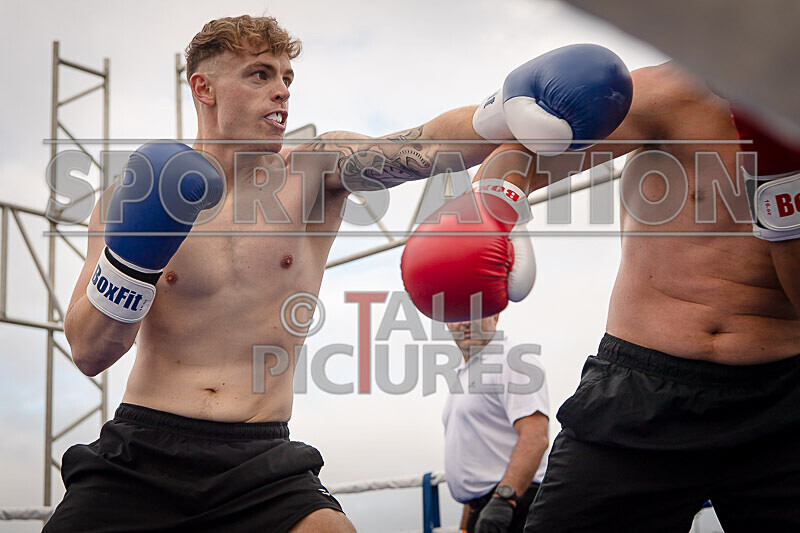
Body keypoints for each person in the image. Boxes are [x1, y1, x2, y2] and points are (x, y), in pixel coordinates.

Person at [44, 14, 633, 533]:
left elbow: (421, 146)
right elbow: (90, 350)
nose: (281, 92)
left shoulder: (313, 171)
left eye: (286, 78)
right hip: (141, 450)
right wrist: (132, 261)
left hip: (257, 457)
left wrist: (503, 111)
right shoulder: (133, 193)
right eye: (260, 74)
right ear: (203, 87)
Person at [402, 61, 800, 532]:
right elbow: (525, 155)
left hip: (784, 399)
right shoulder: (665, 92)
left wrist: (781, 176)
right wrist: (496, 202)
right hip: (643, 387)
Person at [442, 312, 550, 533]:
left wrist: (504, 500)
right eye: (457, 313)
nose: (464, 321)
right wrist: (465, 526)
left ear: (495, 315)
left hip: (514, 505)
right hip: (482, 508)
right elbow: (473, 458)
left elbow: (535, 436)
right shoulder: (467, 373)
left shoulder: (512, 361)